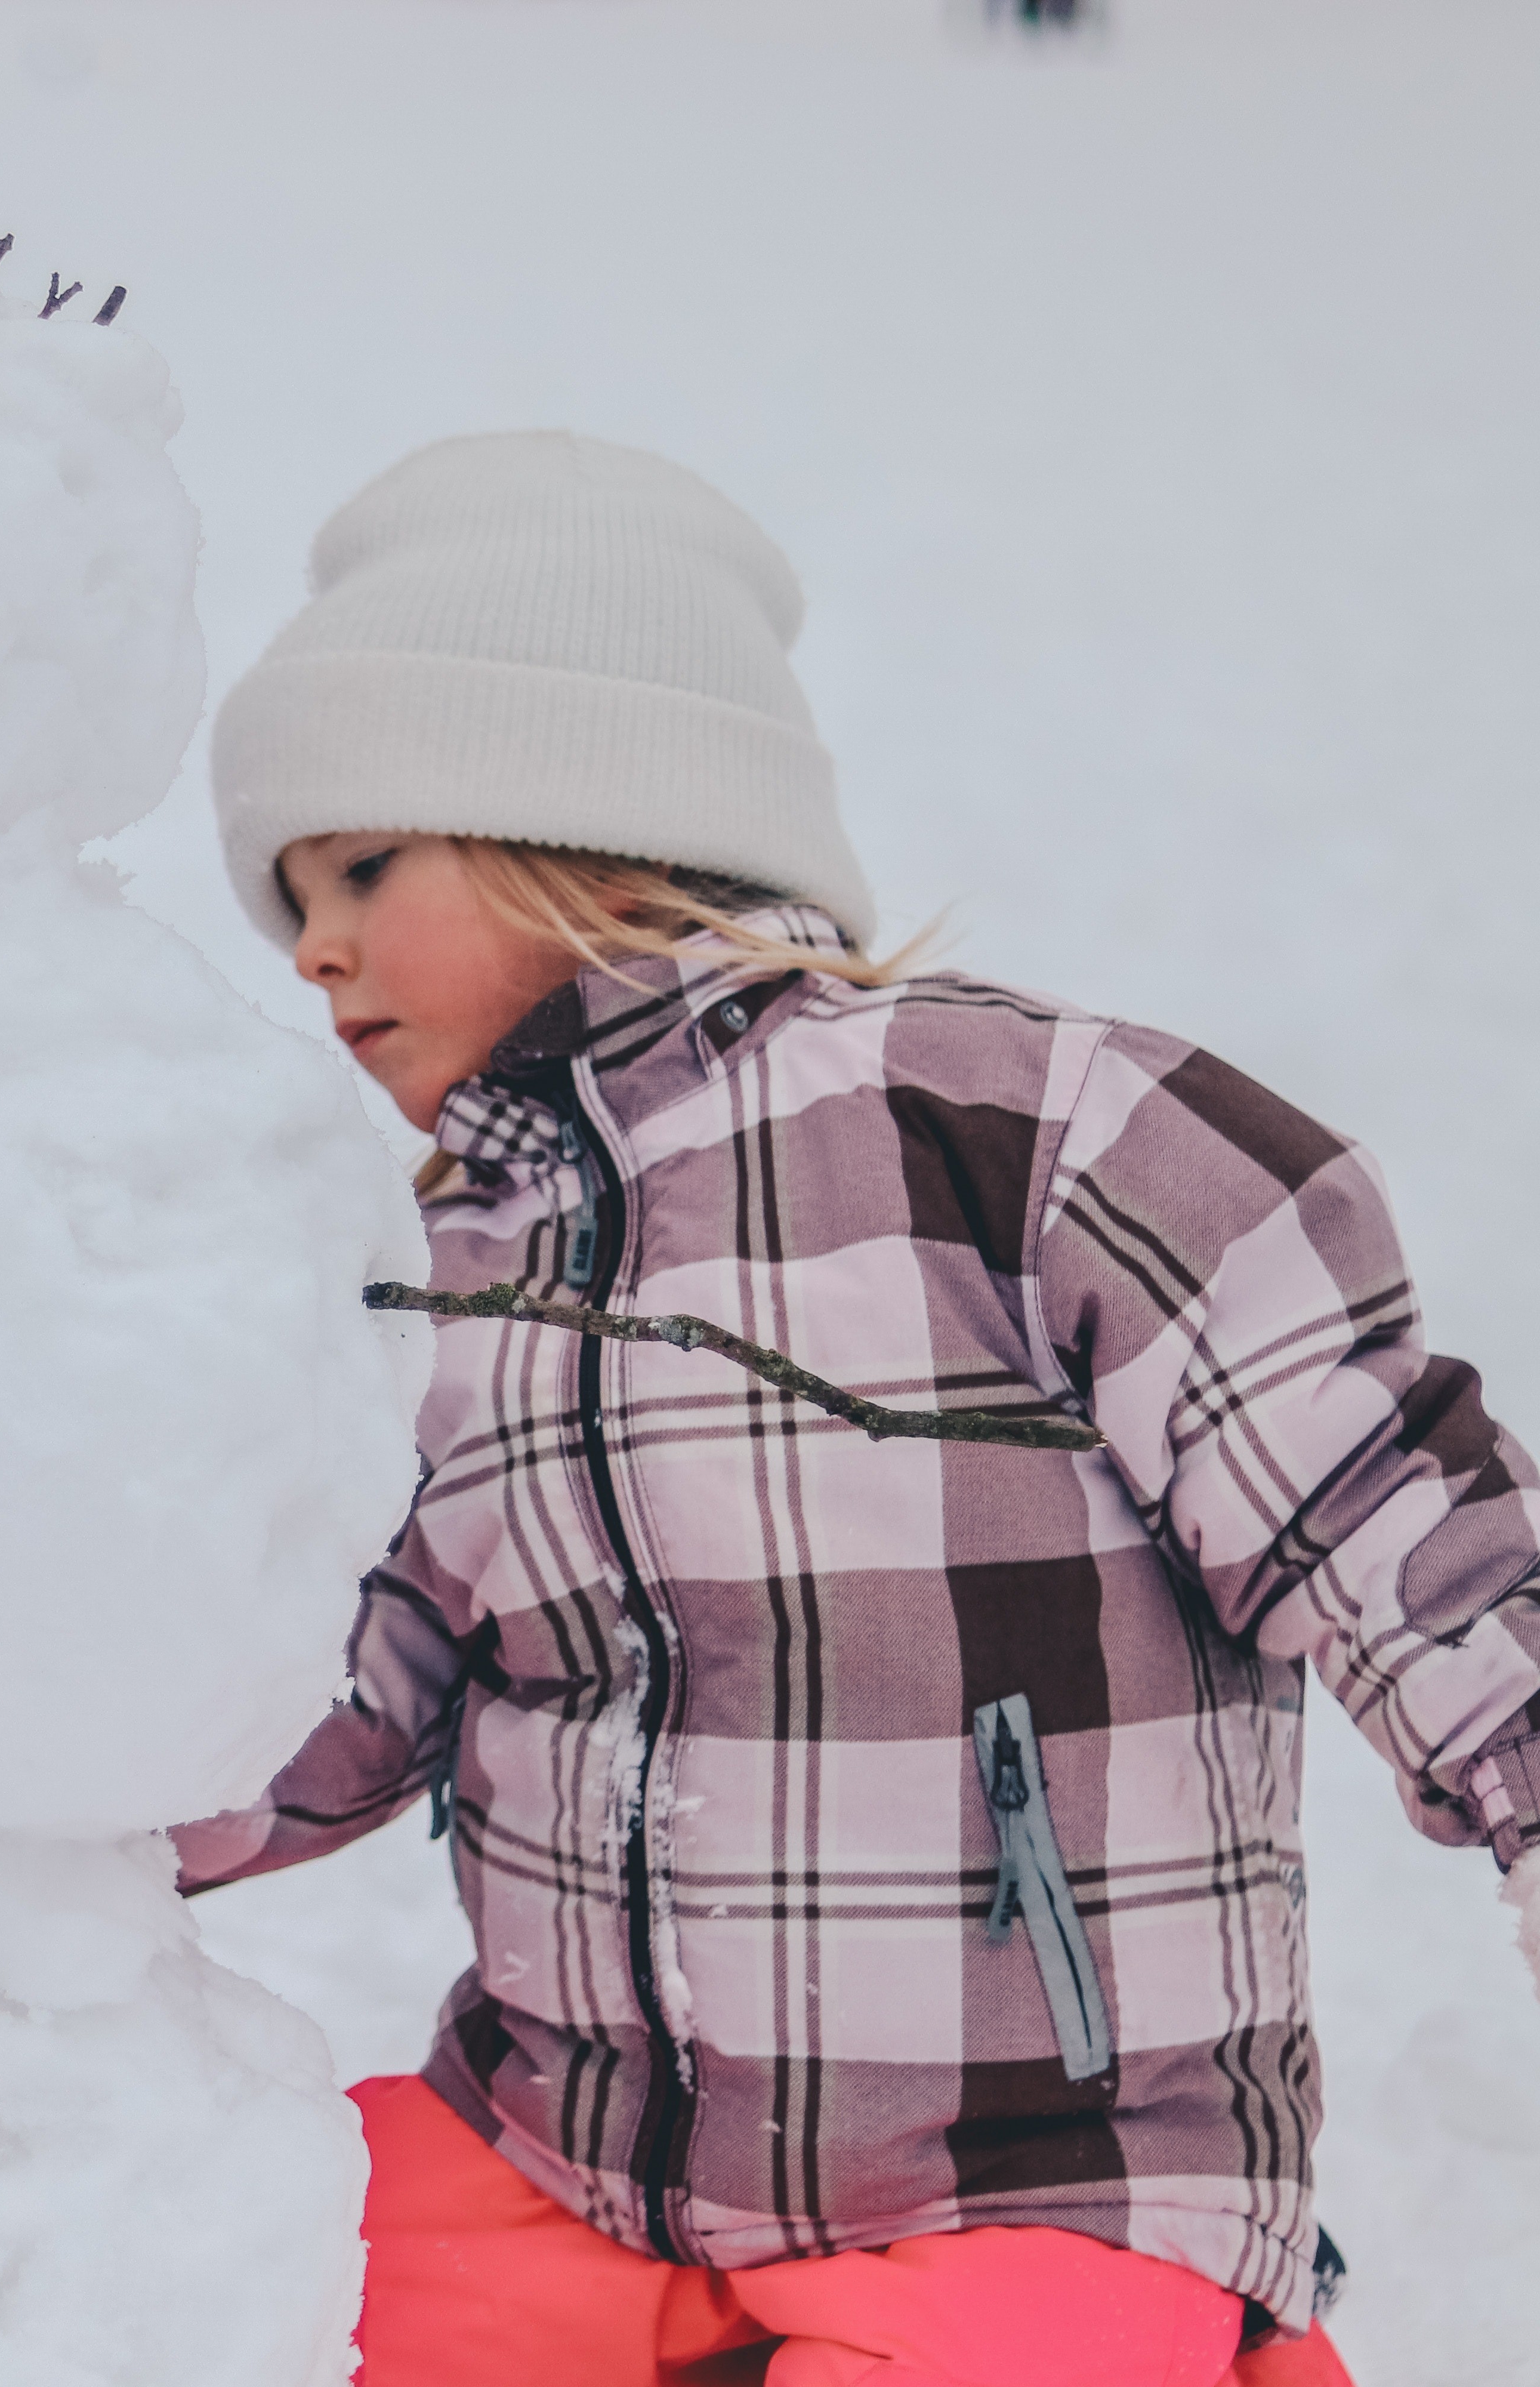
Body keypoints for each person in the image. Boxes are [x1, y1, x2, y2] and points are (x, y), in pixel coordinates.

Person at [183, 430, 1540, 2386]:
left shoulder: (1022, 1134)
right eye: (287, 899)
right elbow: (327, 1684)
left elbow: (1365, 1481)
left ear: (579, 813)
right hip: (571, 2159)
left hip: (1039, 2168)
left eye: (360, 866)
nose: (308, 948)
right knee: (236, 2276)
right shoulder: (430, 1283)